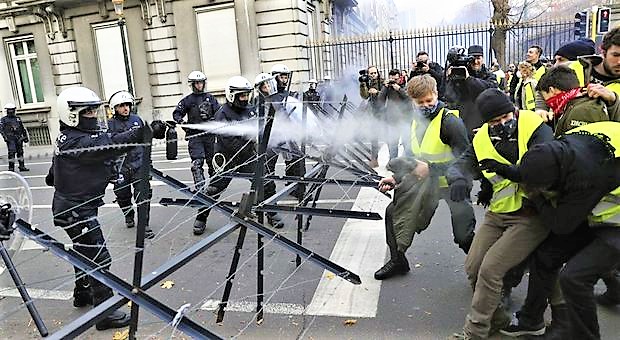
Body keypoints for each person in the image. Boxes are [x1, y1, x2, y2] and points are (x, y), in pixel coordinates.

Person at [495, 121, 620, 339]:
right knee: (546, 255)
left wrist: (537, 198)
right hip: (598, 202)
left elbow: (562, 225)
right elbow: (541, 169)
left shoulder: (585, 175)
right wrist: (514, 172)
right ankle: (531, 321)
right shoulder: (558, 148)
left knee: (575, 277)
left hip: (614, 222)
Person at [447, 88, 554, 340]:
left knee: (491, 270)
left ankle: (475, 332)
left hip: (532, 214)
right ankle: (497, 320)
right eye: (495, 121)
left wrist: (505, 170)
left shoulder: (535, 126)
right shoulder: (482, 137)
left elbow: (543, 167)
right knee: (473, 267)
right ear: (487, 122)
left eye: (507, 116)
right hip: (498, 213)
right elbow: (461, 164)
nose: (503, 123)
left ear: (513, 110)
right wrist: (458, 179)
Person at [45, 86, 144, 330]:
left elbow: (51, 177)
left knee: (83, 252)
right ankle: (105, 314)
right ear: (72, 115)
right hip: (76, 210)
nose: (93, 117)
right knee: (100, 258)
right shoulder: (77, 141)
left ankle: (83, 294)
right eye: (88, 112)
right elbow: (109, 144)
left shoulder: (68, 139)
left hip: (70, 207)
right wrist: (143, 131)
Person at [374, 74, 475, 280]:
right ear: (412, 101)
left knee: (463, 235)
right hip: (425, 183)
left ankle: (482, 268)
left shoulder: (450, 122)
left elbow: (467, 162)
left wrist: (431, 169)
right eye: (420, 103)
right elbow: (412, 159)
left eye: (429, 100)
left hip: (453, 183)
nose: (425, 106)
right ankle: (398, 261)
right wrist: (396, 178)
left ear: (436, 94)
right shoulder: (413, 122)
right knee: (393, 213)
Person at [205, 76, 285, 228]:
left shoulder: (250, 109)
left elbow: (258, 128)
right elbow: (229, 142)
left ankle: (271, 212)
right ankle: (201, 217)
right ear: (231, 95)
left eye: (247, 95)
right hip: (227, 158)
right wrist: (251, 143)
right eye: (241, 95)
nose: (245, 98)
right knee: (214, 190)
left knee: (265, 181)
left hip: (247, 155)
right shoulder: (223, 114)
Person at [172, 70, 221, 235]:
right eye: (196, 83)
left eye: (201, 83)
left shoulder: (211, 98)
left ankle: (213, 188)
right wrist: (181, 121)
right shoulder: (187, 100)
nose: (199, 85)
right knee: (197, 164)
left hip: (210, 137)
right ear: (192, 85)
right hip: (195, 137)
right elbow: (177, 112)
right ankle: (200, 191)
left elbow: (219, 112)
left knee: (214, 165)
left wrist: (215, 120)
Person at [107, 91, 154, 239]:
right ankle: (128, 214)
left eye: (127, 105)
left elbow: (145, 142)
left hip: (139, 163)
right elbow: (108, 147)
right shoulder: (109, 125)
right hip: (121, 166)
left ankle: (144, 225)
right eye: (121, 106)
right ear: (115, 108)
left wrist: (149, 164)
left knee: (143, 195)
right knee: (122, 195)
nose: (125, 108)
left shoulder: (137, 120)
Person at [536, 65, 612, 136]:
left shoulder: (582, 111)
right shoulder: (573, 105)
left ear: (551, 90)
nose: (547, 102)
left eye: (545, 96)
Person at [445, 45, 498, 137]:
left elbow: (490, 90)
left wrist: (468, 78)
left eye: (478, 58)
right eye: (472, 59)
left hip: (484, 120)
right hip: (464, 121)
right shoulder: (458, 73)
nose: (476, 62)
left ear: (483, 59)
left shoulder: (489, 75)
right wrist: (448, 79)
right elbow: (448, 95)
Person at [377, 69, 414, 160]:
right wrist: (385, 87)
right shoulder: (387, 88)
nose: (393, 82)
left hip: (405, 119)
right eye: (392, 80)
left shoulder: (405, 84)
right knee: (393, 145)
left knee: (407, 144)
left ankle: (410, 164)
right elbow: (380, 100)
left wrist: (399, 89)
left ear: (399, 77)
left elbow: (409, 99)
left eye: (396, 79)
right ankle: (393, 164)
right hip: (392, 120)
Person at [360, 65, 384, 167]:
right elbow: (364, 96)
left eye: (375, 73)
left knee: (391, 135)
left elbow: (386, 96)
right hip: (373, 113)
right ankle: (374, 159)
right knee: (374, 137)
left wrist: (377, 92)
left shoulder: (382, 82)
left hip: (384, 112)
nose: (373, 75)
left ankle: (394, 160)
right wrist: (363, 84)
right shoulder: (367, 82)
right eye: (371, 73)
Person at [0, 103, 29, 172]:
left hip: (18, 138)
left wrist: (25, 137)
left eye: (12, 110)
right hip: (10, 138)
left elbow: (22, 128)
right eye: (10, 110)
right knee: (12, 153)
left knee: (20, 152)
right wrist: (5, 137)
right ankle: (11, 168)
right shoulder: (3, 119)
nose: (11, 112)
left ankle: (21, 166)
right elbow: (1, 129)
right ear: (7, 111)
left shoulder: (17, 118)